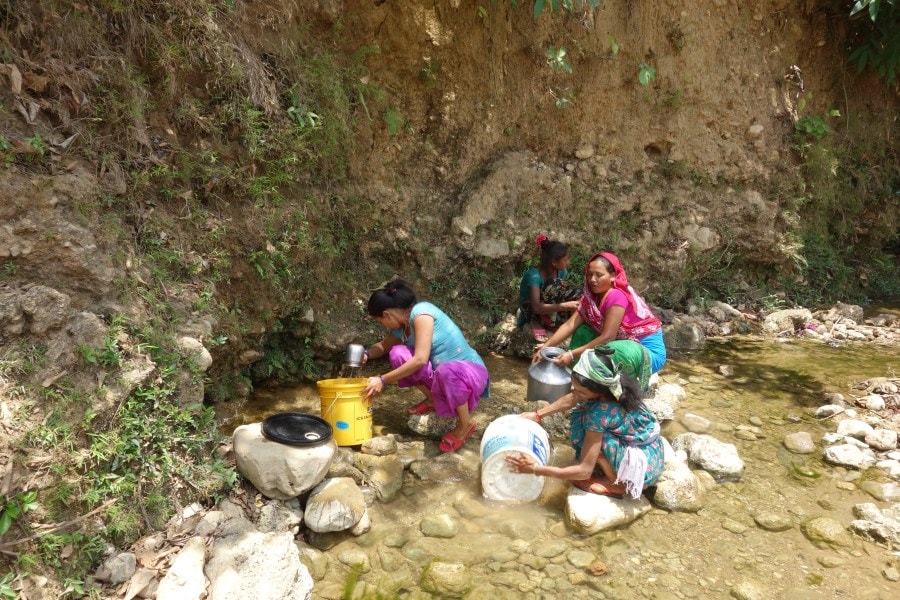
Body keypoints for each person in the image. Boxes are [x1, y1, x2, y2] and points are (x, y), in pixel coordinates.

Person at [506, 347, 664, 498]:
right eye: (574, 387)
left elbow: (584, 471)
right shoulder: (618, 390)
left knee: (595, 436)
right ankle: (610, 468)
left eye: (581, 391)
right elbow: (574, 397)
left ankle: (618, 485)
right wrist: (538, 414)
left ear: (599, 390)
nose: (575, 393)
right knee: (588, 422)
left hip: (642, 470)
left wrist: (536, 469)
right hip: (653, 455)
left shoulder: (598, 414)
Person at [361, 279, 489, 452]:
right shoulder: (402, 329)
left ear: (387, 315)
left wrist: (382, 380)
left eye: (379, 321)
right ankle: (433, 399)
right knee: (398, 353)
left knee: (446, 370)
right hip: (443, 375)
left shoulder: (422, 313)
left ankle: (465, 423)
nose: (382, 325)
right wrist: (367, 354)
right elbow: (383, 347)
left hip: (470, 372)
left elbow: (420, 359)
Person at [533, 251, 666, 374]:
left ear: (613, 276)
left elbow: (608, 337)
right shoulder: (590, 298)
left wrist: (571, 354)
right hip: (623, 343)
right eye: (590, 274)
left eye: (599, 275)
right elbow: (569, 325)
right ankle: (579, 376)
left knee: (614, 351)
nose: (592, 280)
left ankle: (609, 387)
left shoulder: (616, 295)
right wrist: (545, 347)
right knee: (583, 330)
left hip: (646, 353)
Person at [517, 234, 582, 343]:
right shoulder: (533, 276)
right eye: (565, 260)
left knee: (578, 293)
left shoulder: (561, 271)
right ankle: (535, 321)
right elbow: (536, 307)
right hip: (532, 309)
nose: (568, 262)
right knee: (555, 284)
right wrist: (564, 306)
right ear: (554, 262)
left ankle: (555, 323)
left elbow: (564, 292)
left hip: (551, 309)